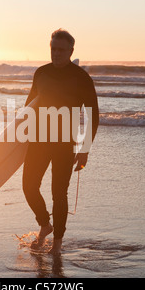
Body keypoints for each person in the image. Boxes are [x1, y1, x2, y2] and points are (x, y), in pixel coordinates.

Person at [22, 29, 99, 255]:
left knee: (59, 193)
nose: (55, 53)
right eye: (53, 48)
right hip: (38, 140)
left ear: (71, 51)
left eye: (60, 50)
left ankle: (57, 243)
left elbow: (93, 116)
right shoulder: (41, 73)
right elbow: (30, 105)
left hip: (65, 143)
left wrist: (84, 150)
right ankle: (45, 224)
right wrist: (19, 137)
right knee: (28, 186)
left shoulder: (82, 78)